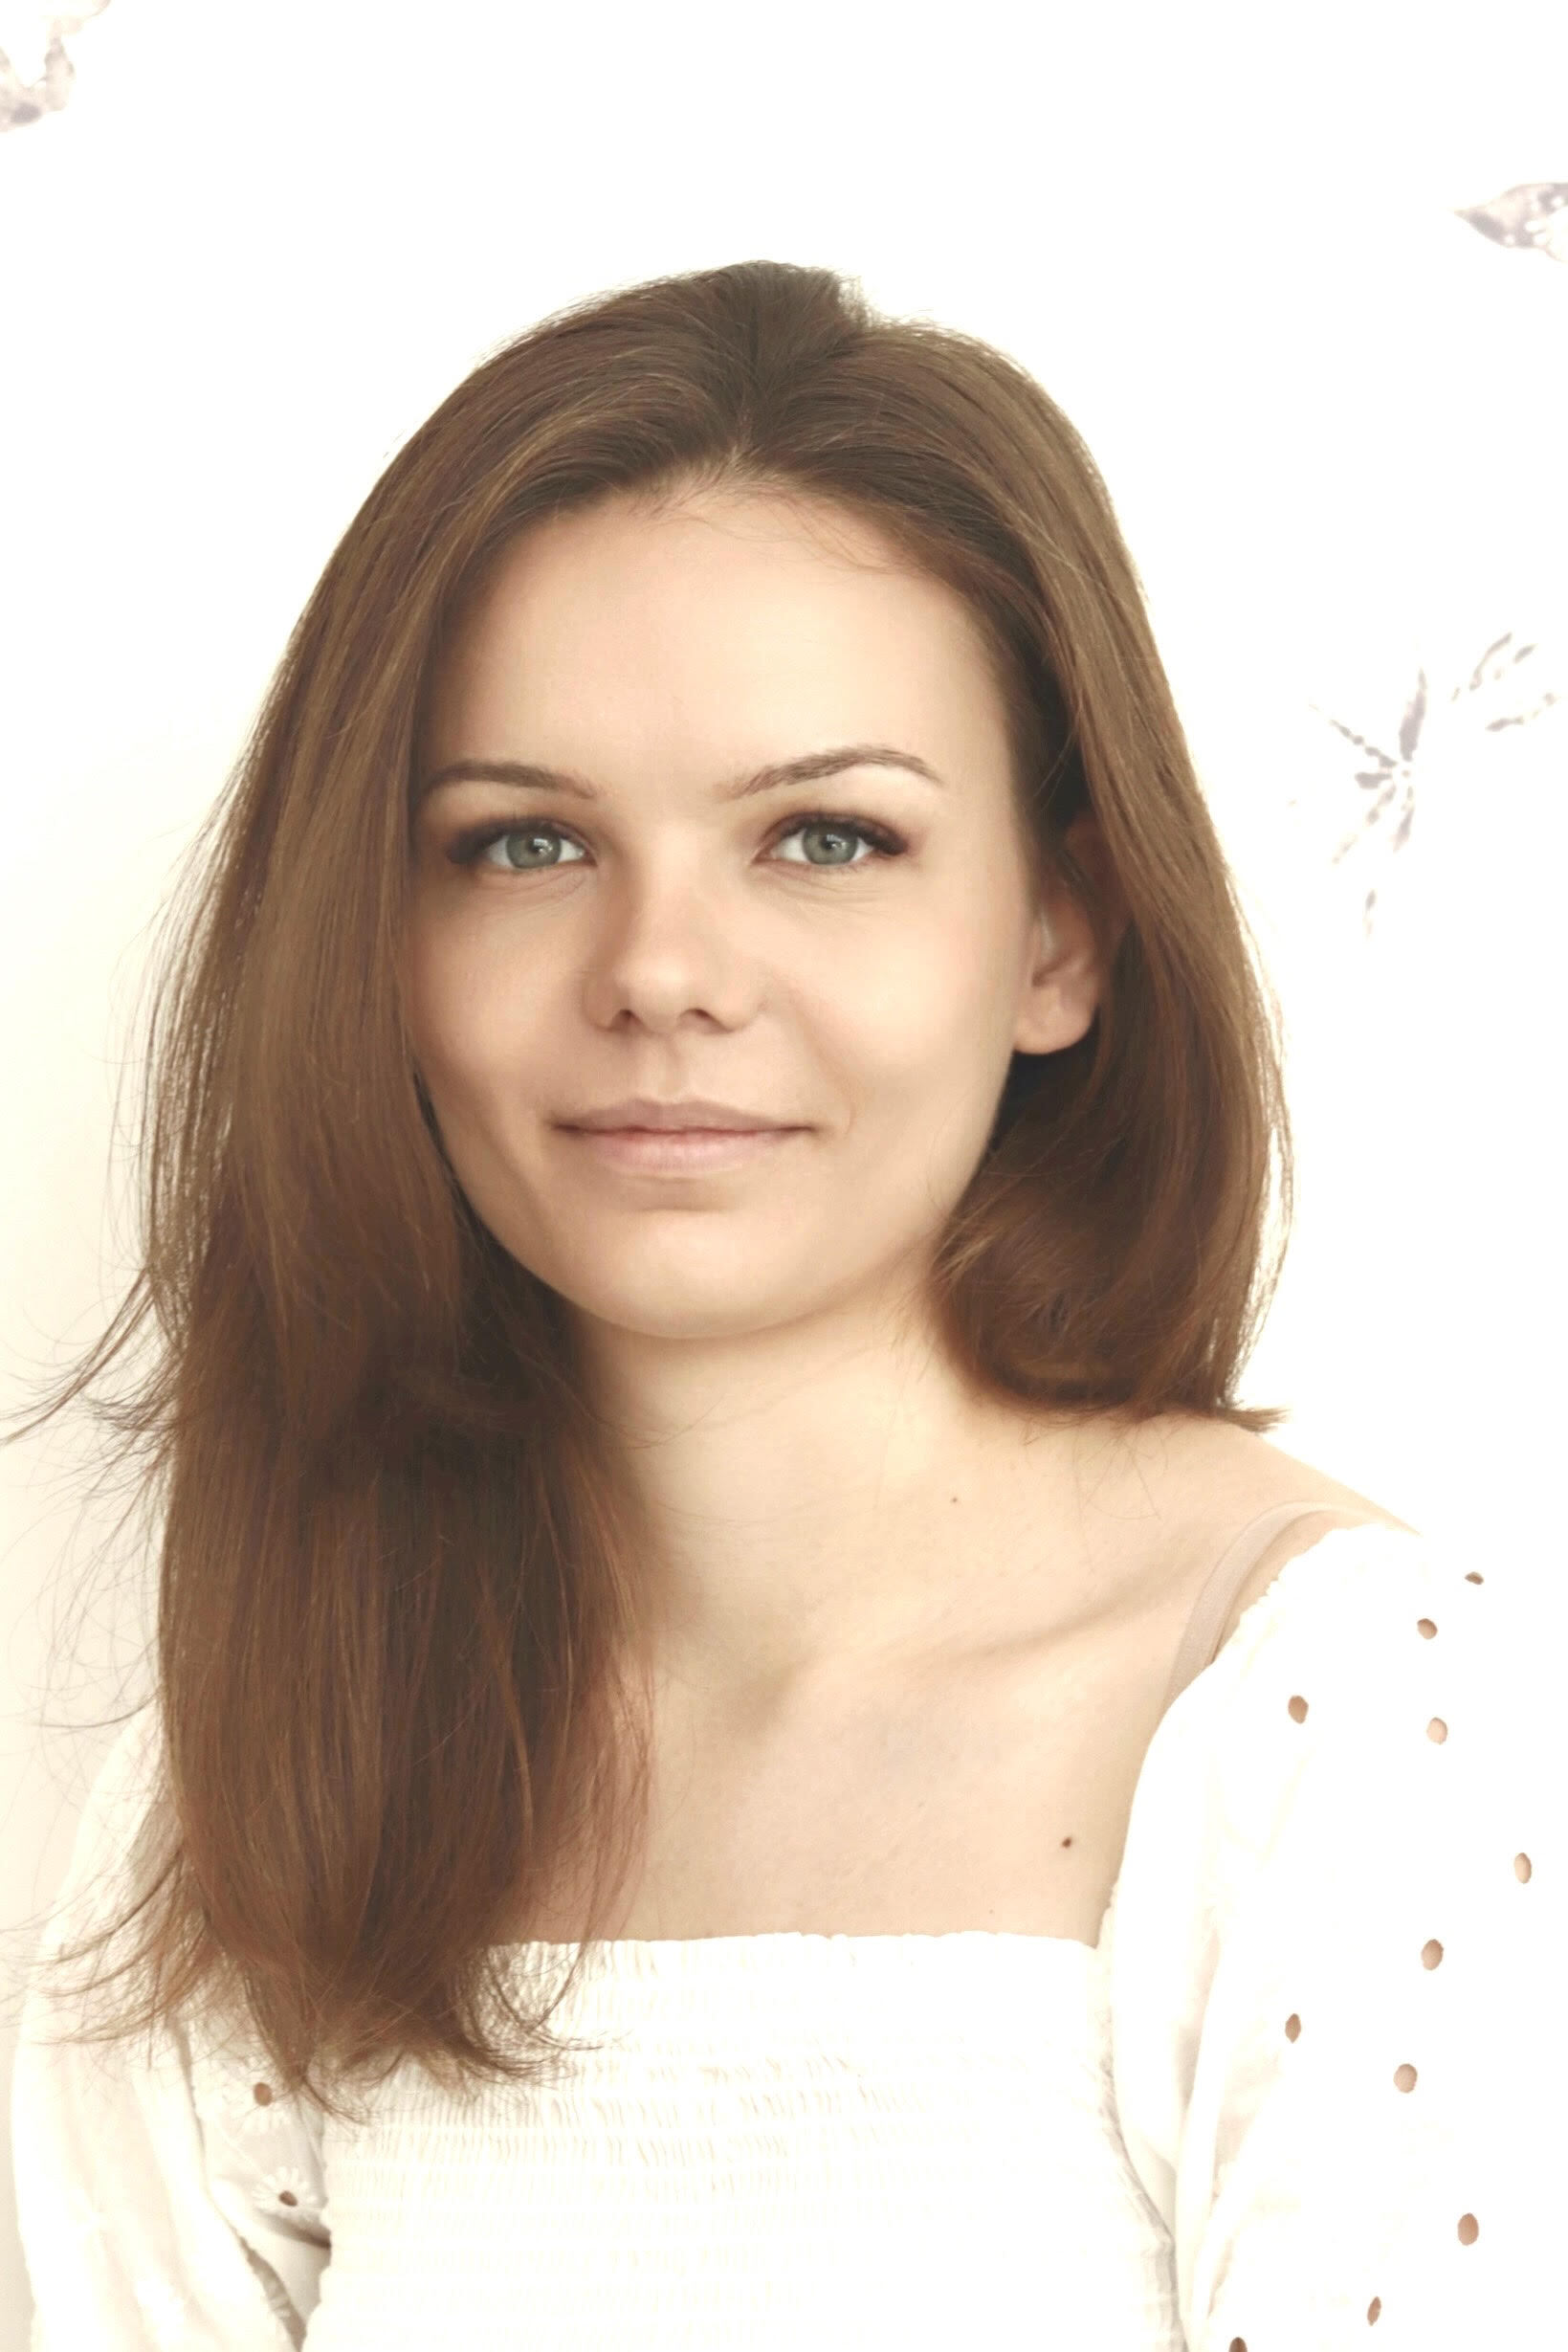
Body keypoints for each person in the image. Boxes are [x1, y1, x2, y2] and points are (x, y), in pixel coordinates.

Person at [8, 260, 1549, 2348]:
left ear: (1061, 934)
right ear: (377, 937)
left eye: (825, 837)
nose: (662, 968)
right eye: (523, 843)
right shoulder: (256, 1764)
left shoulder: (1334, 1714)